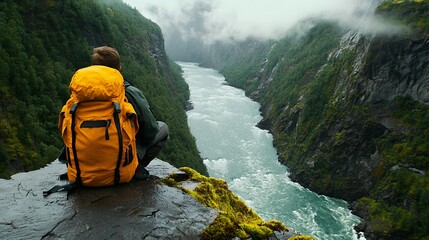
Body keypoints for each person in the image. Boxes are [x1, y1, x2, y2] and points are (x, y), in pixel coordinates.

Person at [59, 46, 169, 180]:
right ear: (120, 69)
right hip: (119, 171)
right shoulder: (128, 92)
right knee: (162, 128)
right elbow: (150, 130)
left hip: (81, 172)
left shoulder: (79, 94)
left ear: (94, 67)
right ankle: (134, 166)